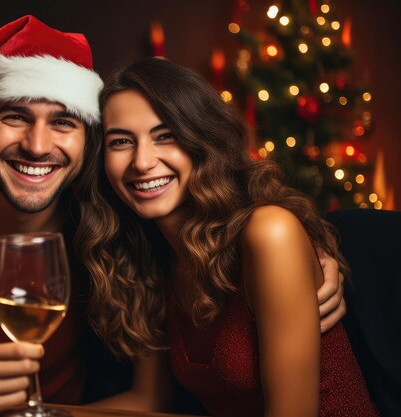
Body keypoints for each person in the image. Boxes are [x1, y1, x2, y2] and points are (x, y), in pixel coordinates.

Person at [0, 16, 345, 417]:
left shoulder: (113, 216)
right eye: (15, 117)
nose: (38, 145)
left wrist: (315, 257)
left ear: (87, 143)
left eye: (64, 123)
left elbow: (234, 226)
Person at [74, 58, 379, 416]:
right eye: (121, 141)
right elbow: (147, 402)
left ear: (201, 138)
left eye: (166, 135)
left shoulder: (268, 233)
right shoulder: (155, 255)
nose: (142, 162)